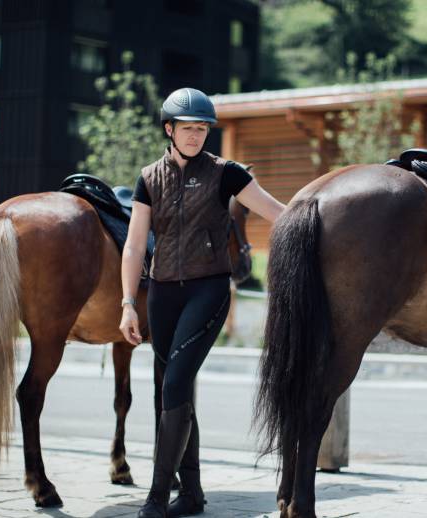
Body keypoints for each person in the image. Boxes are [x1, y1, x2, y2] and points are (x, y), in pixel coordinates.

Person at [118, 87, 285, 518]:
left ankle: (157, 497)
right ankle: (190, 494)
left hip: (207, 289)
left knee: (175, 384)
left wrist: (319, 226)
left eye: (202, 129)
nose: (195, 136)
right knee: (167, 388)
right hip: (160, 293)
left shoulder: (226, 173)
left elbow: (274, 211)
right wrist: (127, 304)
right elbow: (135, 247)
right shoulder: (149, 177)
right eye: (187, 129)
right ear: (169, 129)